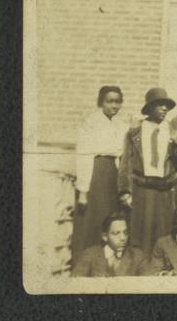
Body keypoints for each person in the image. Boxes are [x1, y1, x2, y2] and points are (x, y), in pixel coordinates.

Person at [118, 87, 177, 254]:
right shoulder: (135, 131)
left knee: (163, 232)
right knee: (140, 231)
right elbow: (125, 162)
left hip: (164, 191)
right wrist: (125, 191)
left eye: (167, 106)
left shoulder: (174, 131)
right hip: (141, 189)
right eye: (160, 105)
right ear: (149, 107)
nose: (164, 109)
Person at [71, 86, 129, 265]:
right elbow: (84, 155)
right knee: (92, 219)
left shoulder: (120, 124)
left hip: (113, 174)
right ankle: (84, 262)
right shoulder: (91, 122)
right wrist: (83, 190)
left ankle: (107, 261)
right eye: (109, 101)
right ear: (100, 102)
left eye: (117, 101)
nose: (114, 105)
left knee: (109, 217)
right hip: (95, 174)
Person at [71, 212, 147, 277]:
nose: (123, 238)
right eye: (116, 233)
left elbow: (146, 286)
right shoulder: (90, 255)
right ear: (105, 236)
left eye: (125, 233)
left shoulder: (137, 256)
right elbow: (75, 283)